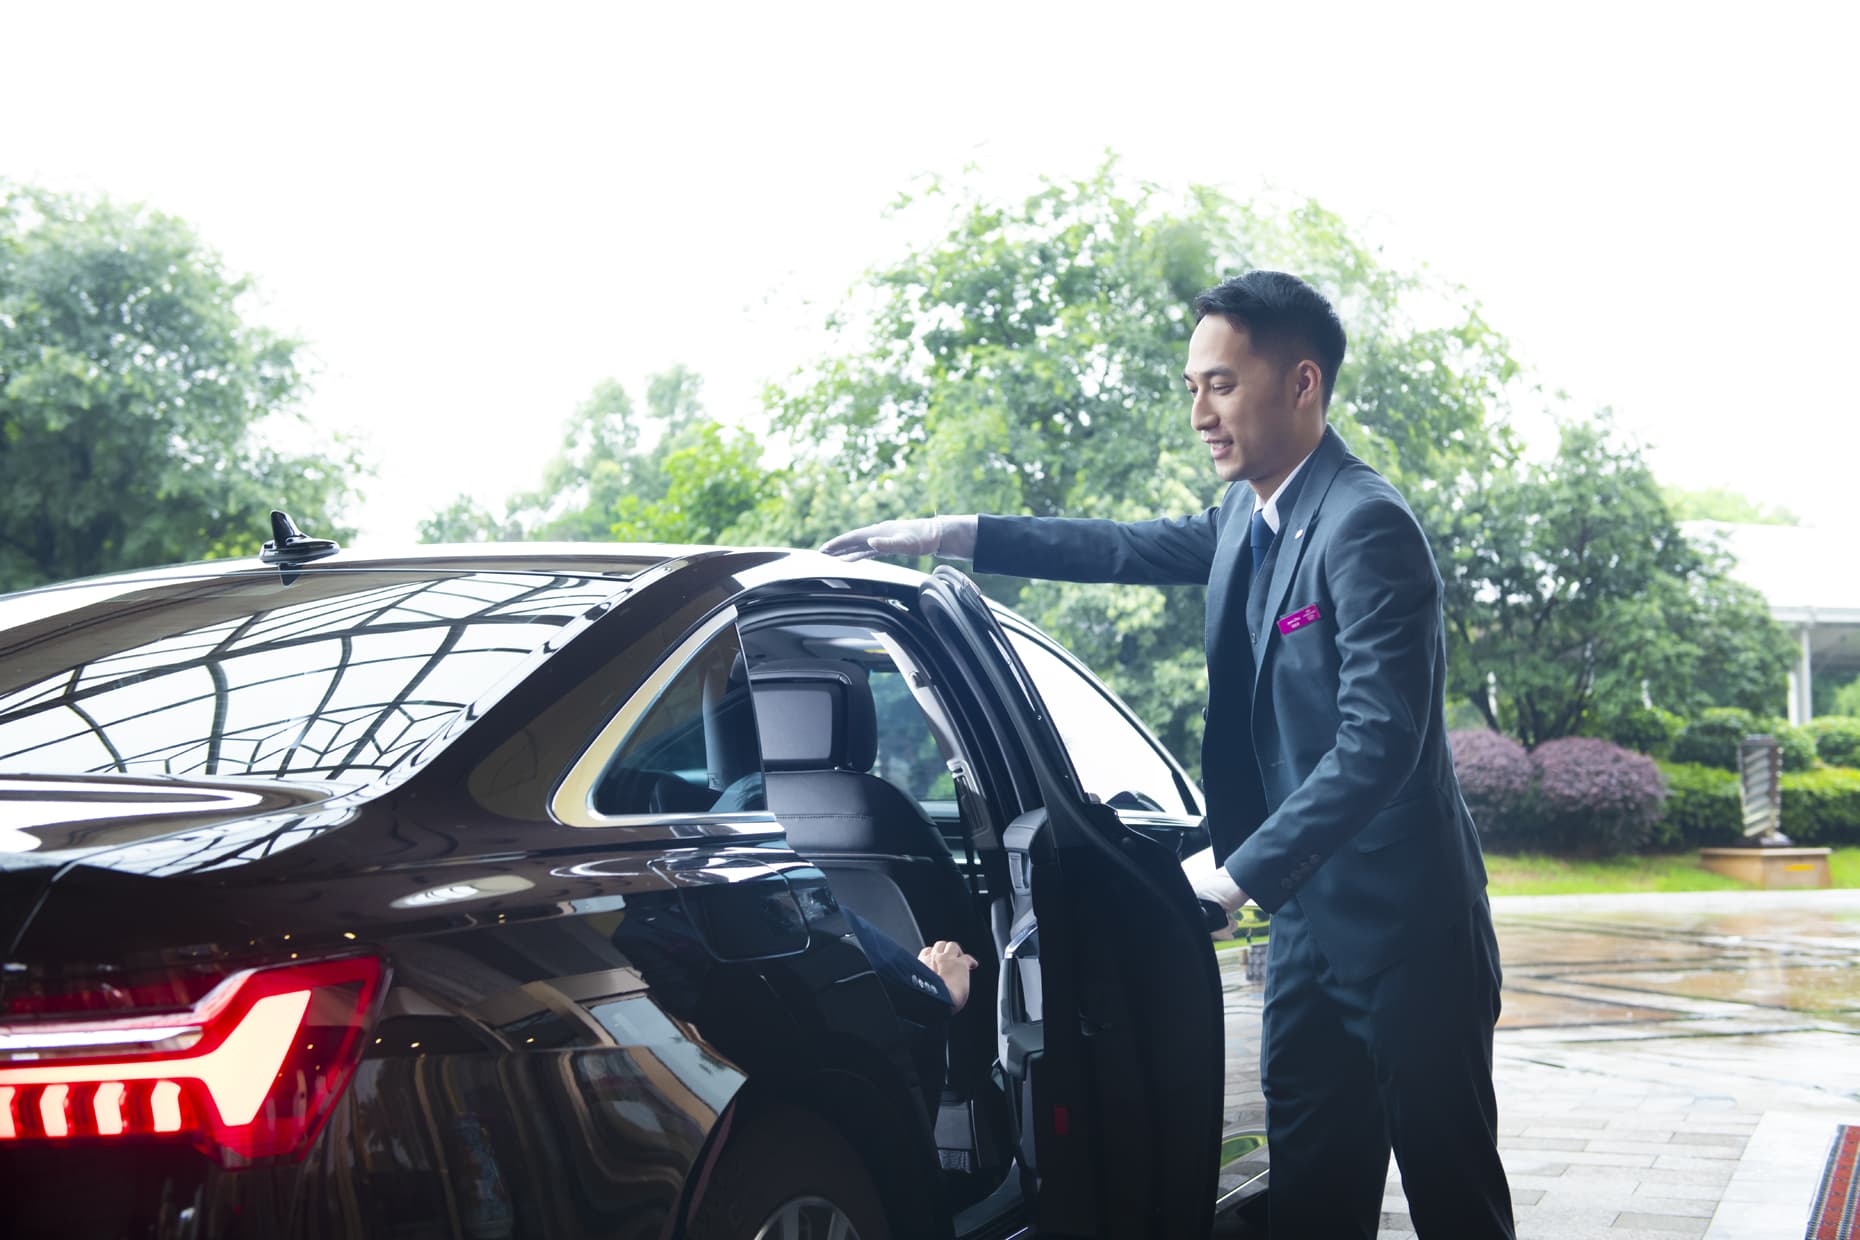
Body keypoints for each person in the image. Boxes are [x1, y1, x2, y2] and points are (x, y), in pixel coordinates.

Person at [824, 270, 1514, 1238]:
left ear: (1303, 383)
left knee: (1454, 1196)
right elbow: (1118, 548)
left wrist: (1231, 880)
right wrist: (953, 535)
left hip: (1411, 934)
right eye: (1193, 388)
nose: (1199, 414)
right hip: (1307, 934)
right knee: (1313, 1194)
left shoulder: (1365, 524)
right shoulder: (1243, 517)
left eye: (1221, 385)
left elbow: (1379, 745)